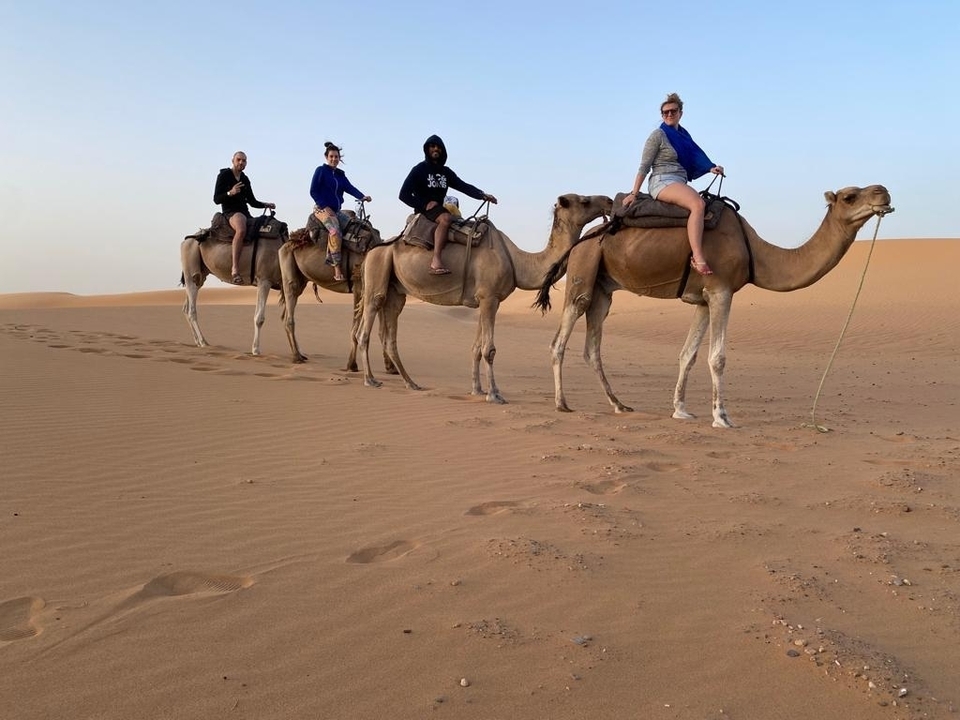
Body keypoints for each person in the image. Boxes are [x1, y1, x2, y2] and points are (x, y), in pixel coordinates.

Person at [622, 93, 724, 276]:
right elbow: (644, 166)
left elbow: (695, 157)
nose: (669, 114)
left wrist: (711, 168)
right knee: (697, 204)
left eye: (673, 111)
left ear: (680, 113)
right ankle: (698, 257)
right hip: (662, 180)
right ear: (662, 115)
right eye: (665, 112)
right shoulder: (658, 135)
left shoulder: (684, 136)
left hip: (679, 181)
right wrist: (634, 193)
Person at [399, 135, 497, 275]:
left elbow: (463, 186)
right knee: (445, 218)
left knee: (460, 221)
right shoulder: (419, 170)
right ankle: (436, 260)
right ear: (427, 149)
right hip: (427, 210)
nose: (436, 149)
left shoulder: (445, 172)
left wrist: (482, 195)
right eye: (432, 146)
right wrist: (424, 204)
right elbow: (403, 195)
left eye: (438, 147)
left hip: (439, 208)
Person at [309, 141, 372, 282]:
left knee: (356, 226)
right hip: (321, 209)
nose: (334, 159)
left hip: (337, 211)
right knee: (335, 231)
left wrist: (362, 196)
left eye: (336, 157)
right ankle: (336, 267)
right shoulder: (321, 171)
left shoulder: (340, 175)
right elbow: (313, 191)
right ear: (326, 157)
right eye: (331, 156)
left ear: (339, 158)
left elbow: (350, 188)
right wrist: (324, 206)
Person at [213, 151, 276, 284]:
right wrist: (231, 192)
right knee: (241, 229)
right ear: (233, 160)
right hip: (231, 212)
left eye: (244, 161)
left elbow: (252, 201)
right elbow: (216, 199)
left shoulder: (245, 179)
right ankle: (235, 269)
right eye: (239, 160)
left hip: (245, 212)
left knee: (264, 227)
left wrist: (266, 204)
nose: (241, 162)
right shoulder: (224, 175)